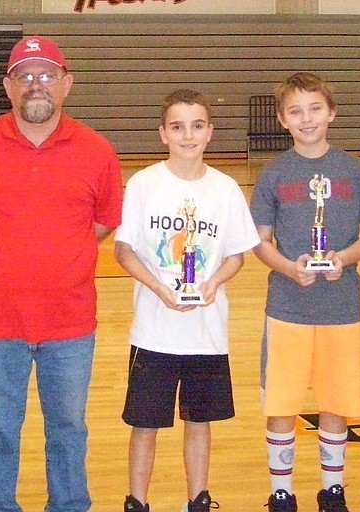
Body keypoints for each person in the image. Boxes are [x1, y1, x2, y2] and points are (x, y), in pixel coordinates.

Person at [0, 35, 124, 512]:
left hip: (69, 322)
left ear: (66, 84)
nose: (37, 85)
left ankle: (70, 505)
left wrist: (57, 255)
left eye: (47, 75)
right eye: (26, 77)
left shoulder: (97, 151)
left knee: (69, 428)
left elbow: (101, 223)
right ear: (8, 86)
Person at [115, 89, 259, 512]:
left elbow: (236, 255)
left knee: (199, 421)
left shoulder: (226, 189)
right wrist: (158, 288)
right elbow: (124, 251)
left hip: (206, 332)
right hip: (154, 331)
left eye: (197, 126)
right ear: (163, 134)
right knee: (145, 424)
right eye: (177, 127)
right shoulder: (143, 184)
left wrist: (213, 282)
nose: (188, 135)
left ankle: (198, 499)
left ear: (210, 132)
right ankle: (136, 502)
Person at [249, 73, 360, 512]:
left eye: (314, 109)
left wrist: (342, 258)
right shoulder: (274, 175)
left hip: (341, 307)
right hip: (288, 307)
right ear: (282, 119)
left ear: (332, 113)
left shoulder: (354, 170)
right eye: (295, 111)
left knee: (335, 399)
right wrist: (289, 268)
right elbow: (259, 242)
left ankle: (333, 488)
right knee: (283, 401)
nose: (306, 119)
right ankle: (282, 491)